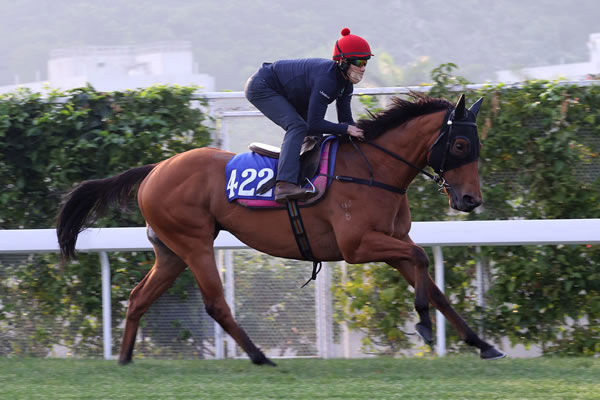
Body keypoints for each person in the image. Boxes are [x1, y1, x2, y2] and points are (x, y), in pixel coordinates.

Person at [244, 27, 373, 203]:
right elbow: (314, 123)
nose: (363, 68)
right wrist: (347, 129)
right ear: (342, 61)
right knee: (298, 126)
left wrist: (363, 133)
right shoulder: (327, 80)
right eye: (359, 62)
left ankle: (304, 180)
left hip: (290, 93)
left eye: (366, 62)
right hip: (263, 86)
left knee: (316, 139)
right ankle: (284, 185)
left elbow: (345, 121)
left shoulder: (346, 84)